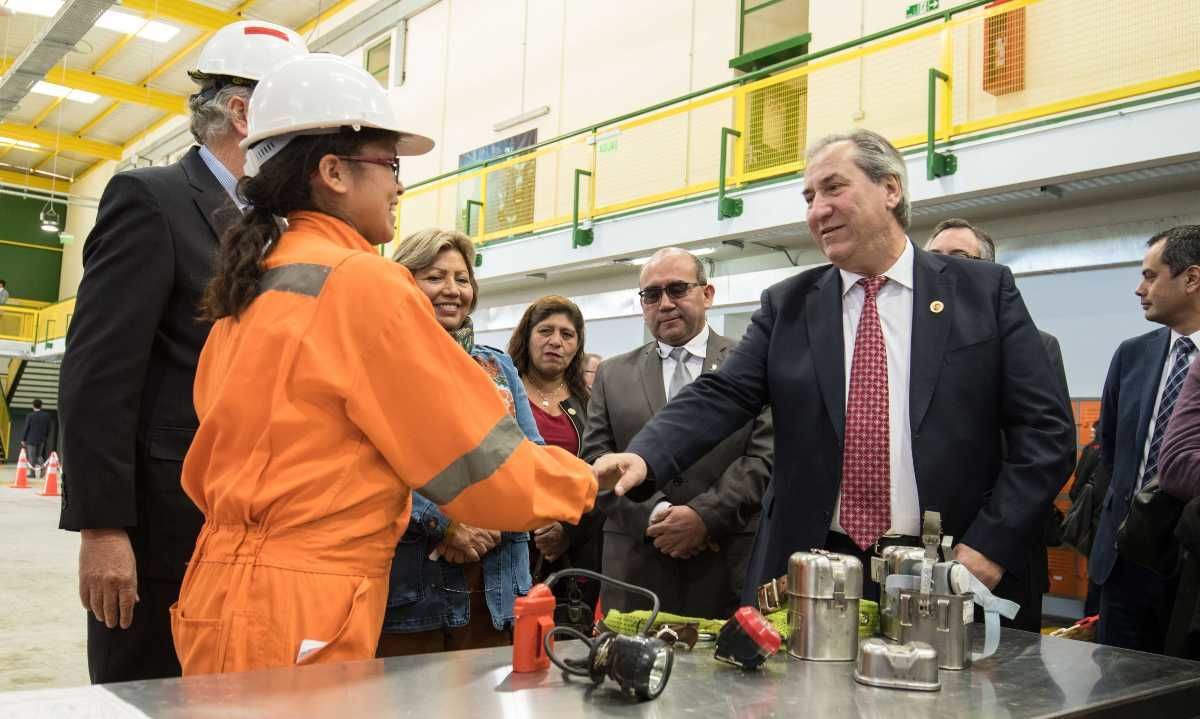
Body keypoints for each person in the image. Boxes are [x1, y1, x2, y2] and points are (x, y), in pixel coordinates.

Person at [171, 53, 598, 675]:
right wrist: (584, 481)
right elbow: (483, 468)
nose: (400, 185)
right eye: (391, 165)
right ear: (333, 171)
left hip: (216, 591)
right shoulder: (361, 282)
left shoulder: (254, 284)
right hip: (302, 606)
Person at [595, 130, 1075, 628]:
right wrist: (644, 454)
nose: (817, 210)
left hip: (950, 570)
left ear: (890, 189)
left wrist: (992, 545)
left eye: (833, 188)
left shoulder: (982, 292)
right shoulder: (789, 305)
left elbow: (1045, 433)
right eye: (808, 197)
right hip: (817, 570)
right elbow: (724, 392)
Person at [56, 21, 308, 684]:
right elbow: (97, 375)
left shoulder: (283, 230)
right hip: (163, 534)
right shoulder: (152, 200)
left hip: (256, 533)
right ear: (244, 112)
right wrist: (103, 530)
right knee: (149, 695)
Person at [377, 229, 544, 656]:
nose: (452, 290)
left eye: (462, 278)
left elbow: (532, 457)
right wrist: (446, 521)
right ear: (403, 282)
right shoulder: (381, 361)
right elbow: (376, 464)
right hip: (414, 584)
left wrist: (488, 517)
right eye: (434, 277)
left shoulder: (498, 365)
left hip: (500, 584)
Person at [583, 248, 774, 619]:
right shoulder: (612, 374)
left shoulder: (751, 365)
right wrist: (656, 514)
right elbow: (596, 462)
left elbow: (764, 457)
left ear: (708, 294)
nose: (665, 303)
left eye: (677, 289)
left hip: (725, 561)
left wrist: (703, 517)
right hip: (637, 567)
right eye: (651, 295)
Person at [925, 216, 1075, 630]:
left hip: (1000, 557)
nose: (944, 268)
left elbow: (1045, 447)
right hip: (923, 554)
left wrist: (991, 544)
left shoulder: (1035, 345)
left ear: (988, 272)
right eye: (934, 258)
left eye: (960, 258)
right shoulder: (910, 347)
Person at [1091, 225, 1200, 653]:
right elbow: (1112, 452)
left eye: (1151, 276)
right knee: (1115, 688)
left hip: (1193, 561)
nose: (1140, 289)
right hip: (1127, 556)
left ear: (1191, 279)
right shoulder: (1131, 355)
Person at [508, 295, 603, 624]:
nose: (555, 341)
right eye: (545, 330)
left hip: (574, 550)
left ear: (577, 345)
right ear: (527, 336)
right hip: (510, 543)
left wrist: (567, 530)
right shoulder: (501, 393)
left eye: (567, 334)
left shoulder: (592, 403)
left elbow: (601, 477)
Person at [22, 398, 52, 478]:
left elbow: (26, 428)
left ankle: (32, 474)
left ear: (33, 406)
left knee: (32, 457)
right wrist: (45, 438)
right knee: (39, 456)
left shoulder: (30, 416)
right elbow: (49, 429)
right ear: (41, 406)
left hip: (31, 440)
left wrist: (23, 439)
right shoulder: (46, 416)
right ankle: (43, 471)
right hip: (41, 440)